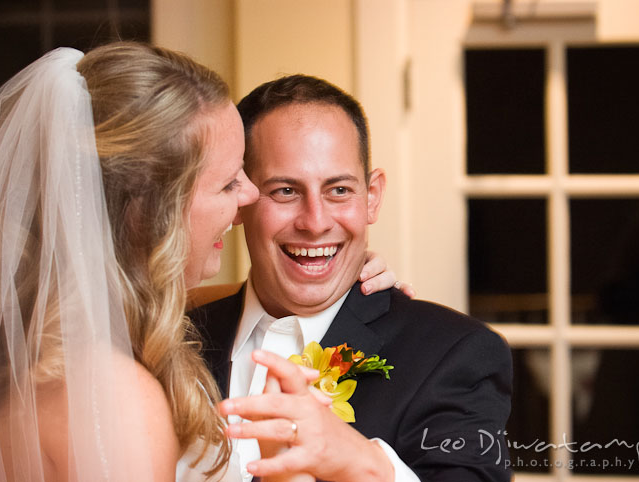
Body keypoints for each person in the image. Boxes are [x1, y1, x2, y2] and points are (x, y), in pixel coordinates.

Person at [0, 43, 399, 481]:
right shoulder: (116, 402)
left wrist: (335, 281)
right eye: (229, 182)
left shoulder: (32, 350)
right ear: (153, 212)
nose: (250, 196)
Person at [186, 75, 513, 481]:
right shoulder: (174, 337)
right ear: (241, 196)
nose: (316, 222)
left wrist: (361, 462)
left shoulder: (456, 353)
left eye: (338, 190)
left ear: (371, 196)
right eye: (286, 191)